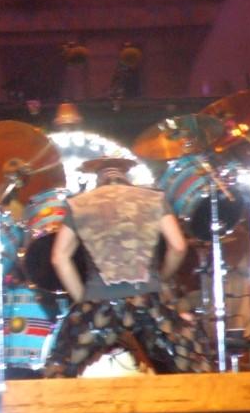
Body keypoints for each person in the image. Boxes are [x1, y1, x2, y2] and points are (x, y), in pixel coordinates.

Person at [46, 157, 210, 377]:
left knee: (60, 370)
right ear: (126, 175)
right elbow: (178, 246)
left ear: (97, 178)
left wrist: (82, 298)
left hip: (99, 305)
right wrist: (161, 279)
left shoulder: (78, 204)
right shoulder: (154, 198)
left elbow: (59, 258)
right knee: (193, 365)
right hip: (148, 302)